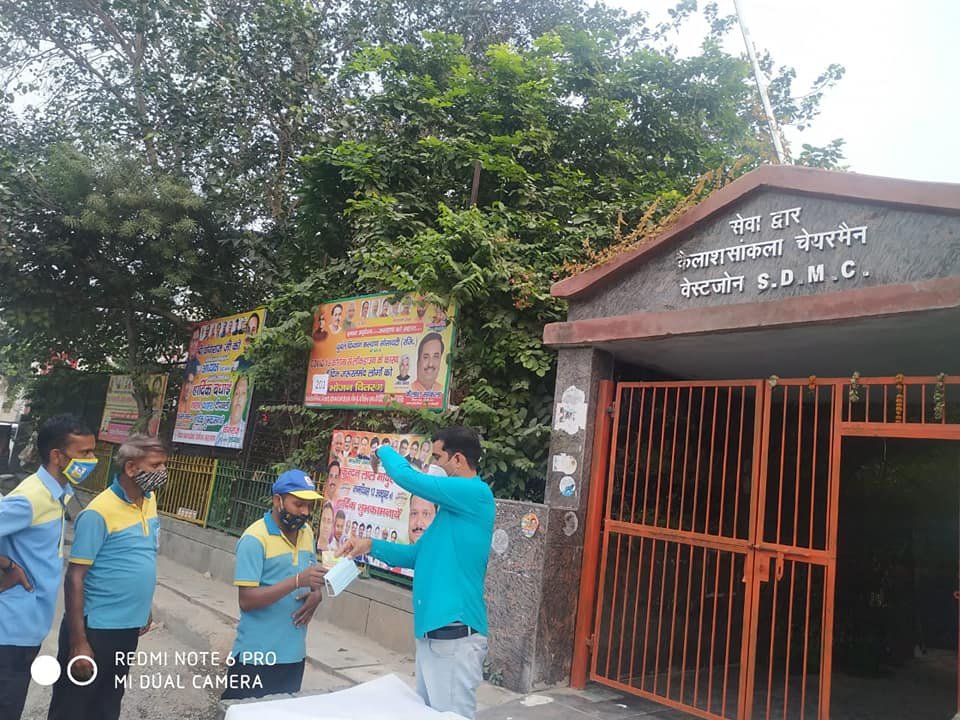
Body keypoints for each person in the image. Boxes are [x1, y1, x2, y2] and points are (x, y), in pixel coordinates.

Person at [338, 426, 494, 719]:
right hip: (434, 635)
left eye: (437, 457)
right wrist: (369, 545)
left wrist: (383, 449)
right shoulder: (451, 511)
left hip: (454, 635)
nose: (433, 464)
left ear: (458, 459)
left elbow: (409, 478)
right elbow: (416, 555)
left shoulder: (476, 493)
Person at [47, 435, 167, 720]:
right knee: (73, 707)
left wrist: (145, 608)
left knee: (108, 704)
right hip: (96, 629)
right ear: (131, 468)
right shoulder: (98, 513)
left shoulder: (149, 501)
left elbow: (141, 559)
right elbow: (75, 578)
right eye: (156, 465)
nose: (163, 471)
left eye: (164, 464)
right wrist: (78, 642)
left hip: (127, 629)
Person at [0, 414, 97, 720]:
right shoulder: (32, 497)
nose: (92, 461)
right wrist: (7, 565)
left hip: (28, 628)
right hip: (10, 631)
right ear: (57, 456)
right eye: (84, 453)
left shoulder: (57, 495)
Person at [222, 470, 325, 700]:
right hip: (255, 656)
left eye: (309, 506)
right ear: (278, 500)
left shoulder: (307, 532)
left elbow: (311, 571)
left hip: (293, 656)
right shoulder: (254, 539)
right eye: (298, 504)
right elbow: (246, 600)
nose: (305, 512)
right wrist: (297, 581)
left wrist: (316, 593)